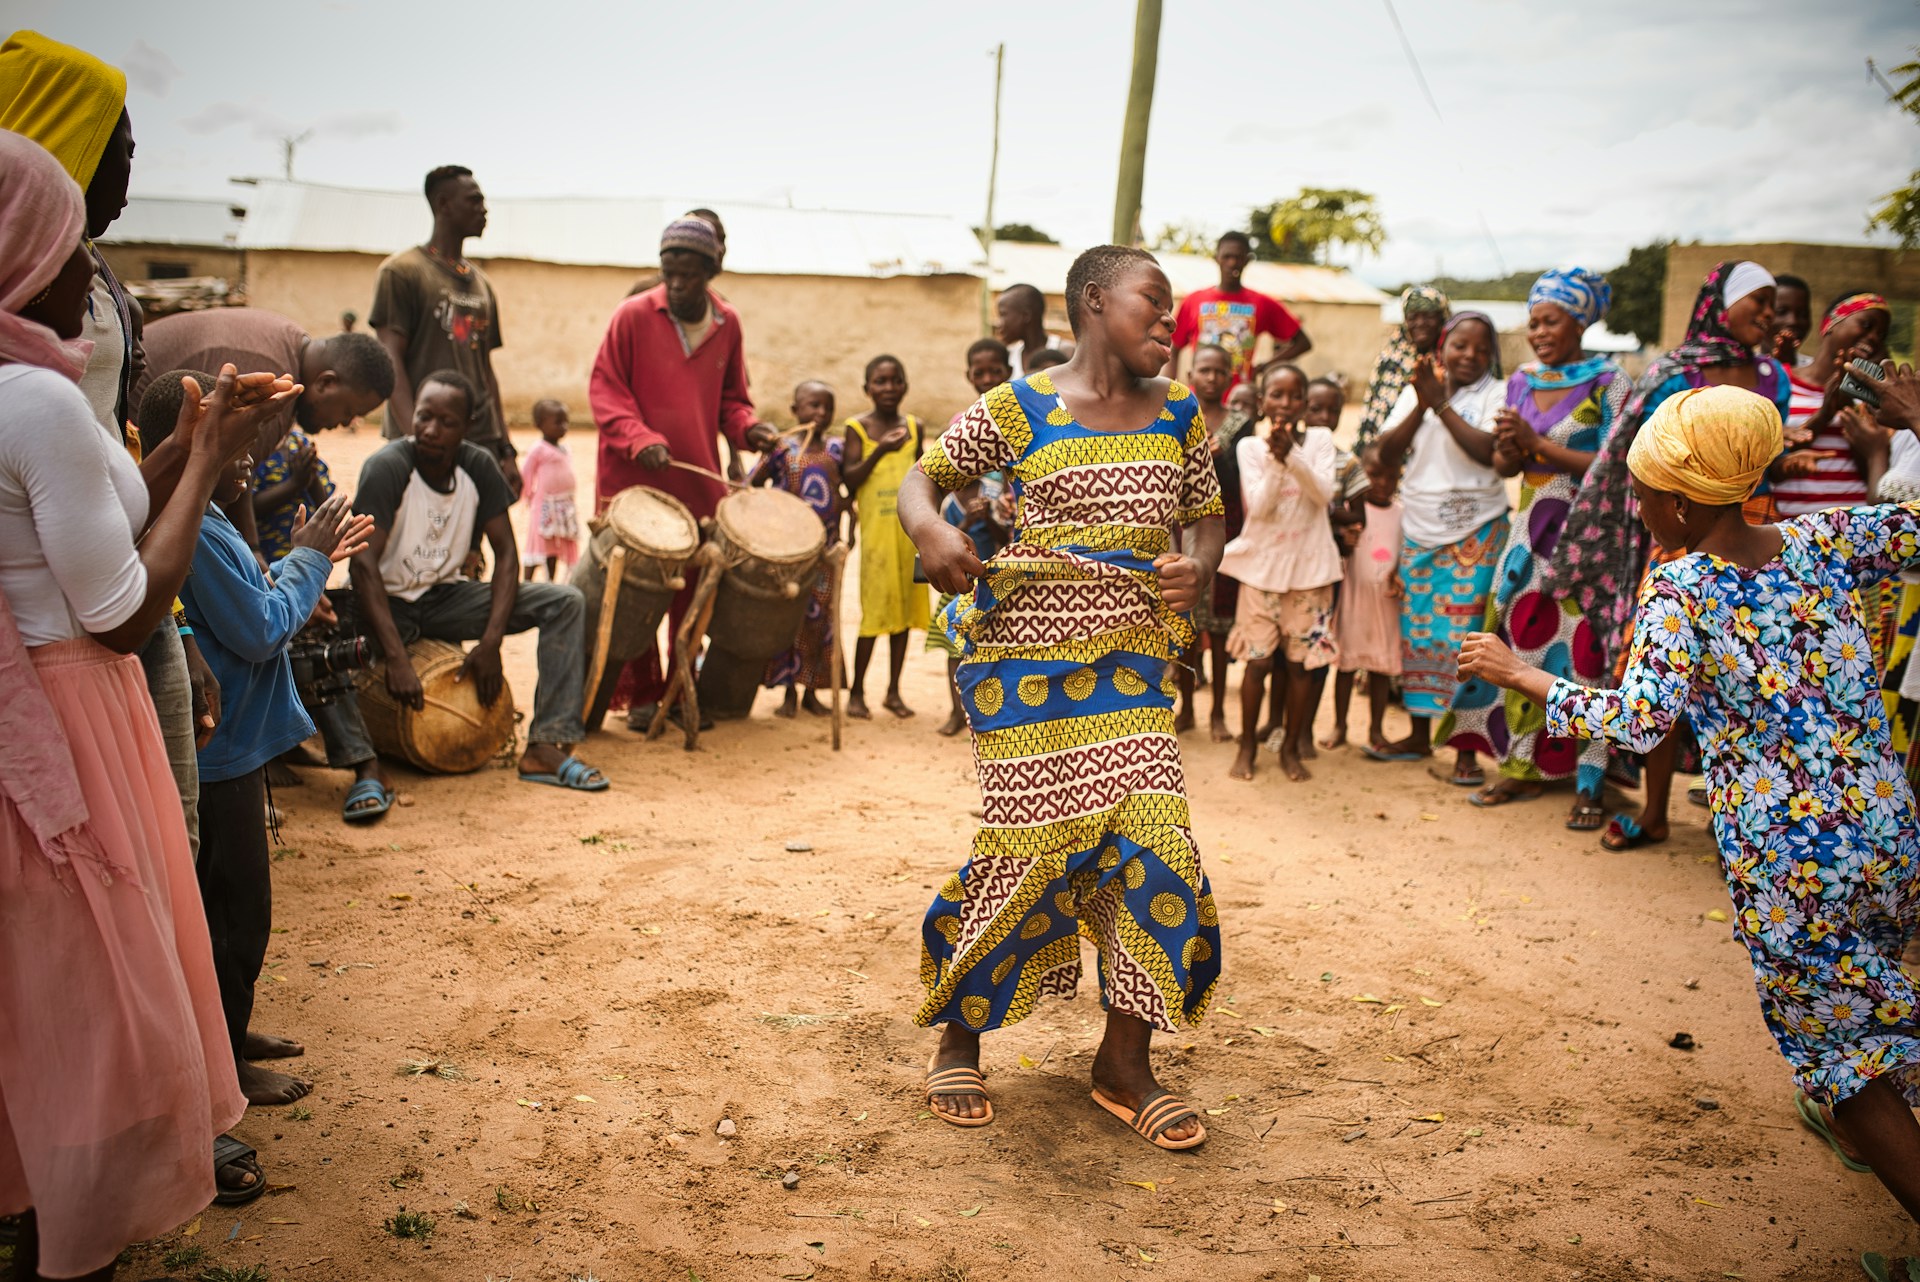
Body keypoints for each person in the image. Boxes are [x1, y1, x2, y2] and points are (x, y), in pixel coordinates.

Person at [1458, 379, 1920, 1234]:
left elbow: (1639, 720)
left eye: (1638, 498)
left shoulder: (1683, 589)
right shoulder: (1817, 540)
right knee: (1878, 1008)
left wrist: (1521, 673)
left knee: (1843, 1061)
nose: (1635, 513)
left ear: (1674, 502)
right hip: (1887, 836)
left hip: (1792, 864)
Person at [0, 127, 301, 1282]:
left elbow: (95, 523)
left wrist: (178, 446)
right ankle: (68, 1250)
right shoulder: (37, 403)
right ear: (27, 251)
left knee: (42, 1005)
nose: (92, 273)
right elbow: (123, 607)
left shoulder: (29, 391)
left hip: (37, 704)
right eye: (75, 246)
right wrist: (220, 459)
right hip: (72, 721)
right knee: (96, 1021)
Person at [903, 244, 1225, 1150]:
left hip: (1129, 670)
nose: (1169, 321)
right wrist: (931, 528)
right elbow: (922, 478)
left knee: (1157, 841)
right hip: (1023, 671)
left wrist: (1194, 566)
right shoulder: (1023, 406)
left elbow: (1207, 513)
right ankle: (959, 1034)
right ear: (1093, 300)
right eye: (1152, 302)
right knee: (1030, 849)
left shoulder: (1180, 414)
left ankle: (1125, 1061)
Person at [138, 371, 373, 1108]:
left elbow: (260, 604)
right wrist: (308, 563)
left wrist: (304, 582)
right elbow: (260, 626)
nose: (255, 448)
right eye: (239, 430)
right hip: (222, 751)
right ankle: (224, 1067)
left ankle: (229, 1035)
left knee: (226, 908)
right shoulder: (191, 525)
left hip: (237, 743)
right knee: (239, 917)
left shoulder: (203, 516)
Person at [1549, 260, 1792, 850]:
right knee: (1664, 675)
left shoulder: (1773, 377)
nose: (1768, 313)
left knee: (1750, 677)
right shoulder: (1673, 374)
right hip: (1681, 535)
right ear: (1720, 304)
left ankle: (1737, 820)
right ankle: (1655, 811)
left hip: (1756, 529)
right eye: (1757, 300)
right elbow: (1632, 457)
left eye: (1773, 303)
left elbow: (1770, 459)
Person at [312, 370, 608, 821]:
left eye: (445, 422)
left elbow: (507, 555)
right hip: (382, 604)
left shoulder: (477, 467)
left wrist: (490, 645)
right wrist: (395, 657)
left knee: (564, 602)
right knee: (316, 642)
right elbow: (364, 565)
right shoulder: (388, 467)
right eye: (424, 417)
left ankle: (546, 747)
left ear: (467, 426)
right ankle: (365, 767)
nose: (430, 429)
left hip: (443, 598)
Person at [1440, 269, 1628, 831]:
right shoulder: (1520, 380)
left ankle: (1589, 781)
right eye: (1533, 321)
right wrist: (1512, 446)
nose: (1538, 331)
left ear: (1581, 320)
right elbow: (1506, 465)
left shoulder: (1610, 382)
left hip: (1590, 536)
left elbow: (1618, 465)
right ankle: (1520, 765)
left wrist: (1538, 443)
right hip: (1529, 530)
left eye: (1550, 321)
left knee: (1586, 651)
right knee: (1521, 643)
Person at [589, 217, 778, 727]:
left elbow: (733, 403)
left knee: (691, 588)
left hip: (695, 480)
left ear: (711, 271)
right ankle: (645, 695)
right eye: (667, 272)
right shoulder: (631, 316)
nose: (674, 285)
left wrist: (750, 430)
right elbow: (605, 391)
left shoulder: (727, 324)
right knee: (638, 589)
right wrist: (639, 436)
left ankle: (679, 688)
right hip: (632, 479)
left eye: (687, 275)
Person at [1367, 311, 1507, 782]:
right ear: (1442, 348)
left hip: (1477, 531)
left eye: (1480, 348)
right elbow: (1384, 453)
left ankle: (1465, 751)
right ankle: (1419, 735)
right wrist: (1423, 402)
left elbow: (1489, 453)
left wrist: (1442, 405)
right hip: (1420, 528)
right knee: (1420, 635)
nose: (1469, 355)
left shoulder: (1497, 394)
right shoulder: (1417, 389)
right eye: (1459, 345)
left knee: (1466, 641)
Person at [137, 307, 394, 559]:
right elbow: (222, 487)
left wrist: (254, 550)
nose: (347, 422)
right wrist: (256, 559)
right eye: (349, 411)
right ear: (326, 383)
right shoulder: (276, 383)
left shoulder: (290, 341)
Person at [1220, 365, 1340, 782]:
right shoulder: (1251, 448)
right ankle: (1248, 744)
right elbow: (1260, 507)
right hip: (1262, 573)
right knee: (1257, 664)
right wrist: (1276, 460)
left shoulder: (1322, 441)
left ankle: (1289, 746)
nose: (1285, 404)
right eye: (1277, 396)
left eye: (1294, 396)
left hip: (1310, 574)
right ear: (1262, 402)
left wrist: (1294, 456)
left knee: (1300, 666)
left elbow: (1322, 494)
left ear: (1305, 403)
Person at [370, 165, 518, 495]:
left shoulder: (482, 285)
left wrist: (505, 448)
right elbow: (390, 357)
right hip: (428, 440)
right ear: (443, 204)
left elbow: (485, 371)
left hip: (478, 440)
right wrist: (415, 441)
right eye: (474, 201)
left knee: (471, 542)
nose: (484, 209)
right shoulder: (402, 272)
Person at [931, 340, 1015, 736]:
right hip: (958, 567)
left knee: (996, 642)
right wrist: (968, 514)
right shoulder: (961, 424)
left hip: (999, 563)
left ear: (1008, 372)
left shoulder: (1019, 425)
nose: (987, 380)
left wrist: (992, 515)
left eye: (995, 371)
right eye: (978, 373)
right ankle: (955, 711)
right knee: (955, 643)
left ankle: (991, 715)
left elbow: (1008, 520)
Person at [842, 354, 929, 719]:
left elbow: (926, 478)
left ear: (905, 386)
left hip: (908, 537)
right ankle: (857, 693)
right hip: (876, 539)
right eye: (880, 381)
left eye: (895, 381)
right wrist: (880, 450)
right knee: (874, 614)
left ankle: (893, 691)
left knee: (905, 615)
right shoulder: (856, 428)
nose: (888, 388)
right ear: (867, 389)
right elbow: (850, 480)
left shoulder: (915, 427)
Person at [755, 380, 846, 719]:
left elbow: (846, 486)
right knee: (788, 619)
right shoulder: (782, 449)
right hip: (788, 553)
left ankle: (812, 690)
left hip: (824, 554)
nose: (820, 413)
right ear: (796, 411)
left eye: (827, 407)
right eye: (812, 406)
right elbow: (753, 483)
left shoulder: (836, 449)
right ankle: (788, 692)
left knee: (819, 621)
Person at [1182, 343, 1255, 742]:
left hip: (1226, 531)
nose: (1211, 378)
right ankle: (1188, 707)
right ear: (1192, 375)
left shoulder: (1242, 422)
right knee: (1186, 627)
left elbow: (1247, 475)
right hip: (1180, 530)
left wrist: (1220, 455)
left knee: (1222, 627)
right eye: (1204, 371)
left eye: (1219, 371)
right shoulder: (1176, 415)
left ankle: (1217, 714)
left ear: (1231, 377)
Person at [1774, 291, 1893, 518]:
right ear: (1831, 324)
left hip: (1853, 531)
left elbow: (1873, 469)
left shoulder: (1871, 398)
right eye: (1866, 325)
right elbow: (1764, 459)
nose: (1874, 338)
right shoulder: (1781, 382)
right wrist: (1825, 414)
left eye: (1881, 334)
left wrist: (1850, 407)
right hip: (1791, 531)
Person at [1324, 448, 1403, 755]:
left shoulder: (1401, 512)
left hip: (1385, 604)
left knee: (1379, 669)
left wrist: (1398, 575)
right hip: (1355, 600)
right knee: (1346, 665)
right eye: (1373, 476)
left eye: (1390, 476)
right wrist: (1345, 540)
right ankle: (1340, 725)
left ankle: (1376, 729)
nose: (1382, 483)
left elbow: (1403, 551)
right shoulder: (1351, 513)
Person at [1168, 230, 1309, 389]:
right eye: (1227, 257)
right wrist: (1170, 391)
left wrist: (1264, 366)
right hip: (1200, 399)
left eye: (1238, 257)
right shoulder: (1194, 301)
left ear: (1247, 260)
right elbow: (1174, 349)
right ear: (1216, 258)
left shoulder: (1262, 303)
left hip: (1239, 399)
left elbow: (1303, 343)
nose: (1232, 263)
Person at [1357, 285, 1450, 449]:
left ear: (1442, 318)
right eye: (1413, 317)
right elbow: (1374, 416)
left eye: (1428, 316)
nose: (1420, 323)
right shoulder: (1390, 360)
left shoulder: (1453, 361)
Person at [520, 398, 580, 582]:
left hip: (563, 506)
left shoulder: (565, 449)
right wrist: (528, 496)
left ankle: (550, 583)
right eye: (558, 422)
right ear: (540, 425)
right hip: (544, 506)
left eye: (566, 422)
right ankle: (527, 582)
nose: (564, 426)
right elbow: (526, 473)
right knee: (538, 545)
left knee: (554, 547)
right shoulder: (538, 449)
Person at [994, 283, 1072, 377]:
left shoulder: (1066, 352)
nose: (999, 324)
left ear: (1026, 316)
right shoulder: (1009, 357)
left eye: (1003, 315)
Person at [1770, 272, 1812, 368]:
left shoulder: (1816, 372)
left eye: (1803, 314)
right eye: (1781, 312)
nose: (1793, 321)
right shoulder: (1743, 368)